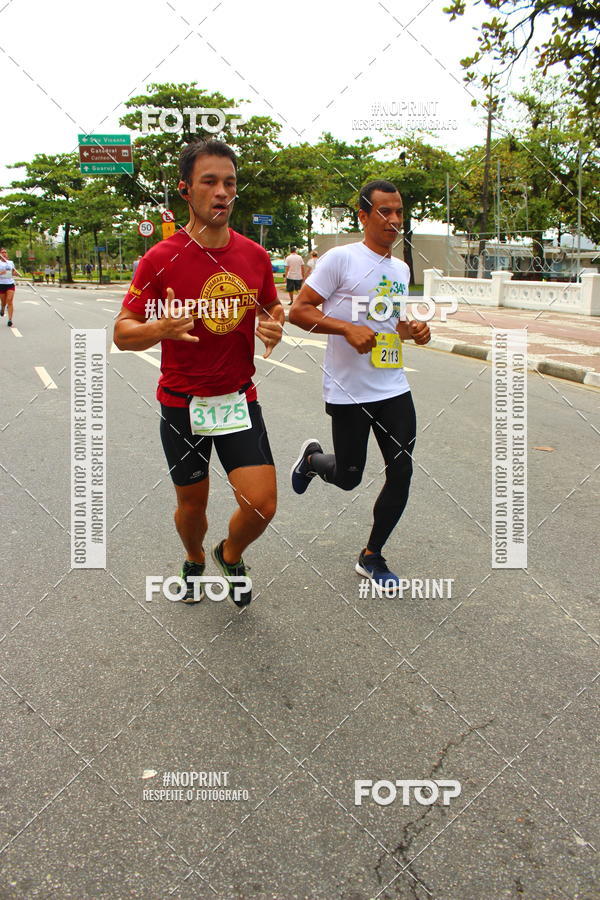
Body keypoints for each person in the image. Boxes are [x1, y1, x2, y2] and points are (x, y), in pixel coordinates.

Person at [114, 139, 284, 606]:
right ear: (186, 191)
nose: (222, 192)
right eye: (210, 182)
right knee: (193, 506)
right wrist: (158, 327)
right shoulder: (159, 258)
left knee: (262, 505)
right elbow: (122, 333)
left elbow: (271, 304)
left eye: (229, 183)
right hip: (181, 403)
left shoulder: (254, 255)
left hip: (236, 399)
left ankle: (229, 554)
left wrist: (274, 322)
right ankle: (193, 557)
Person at [289, 180, 431, 594]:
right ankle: (314, 461)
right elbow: (299, 311)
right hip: (348, 390)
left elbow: (389, 324)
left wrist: (414, 330)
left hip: (392, 386)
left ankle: (372, 555)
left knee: (401, 471)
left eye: (399, 212)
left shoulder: (400, 268)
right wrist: (345, 328)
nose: (393, 220)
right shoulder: (341, 260)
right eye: (384, 211)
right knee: (350, 477)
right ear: (363, 216)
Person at [0, 248, 21, 327]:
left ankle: (10, 320)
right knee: (3, 302)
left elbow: (13, 272)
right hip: (1, 284)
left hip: (10, 284)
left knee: (9, 300)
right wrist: (2, 272)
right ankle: (2, 308)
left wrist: (16, 274)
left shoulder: (10, 262)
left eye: (5, 252)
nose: (4, 253)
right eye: (2, 252)